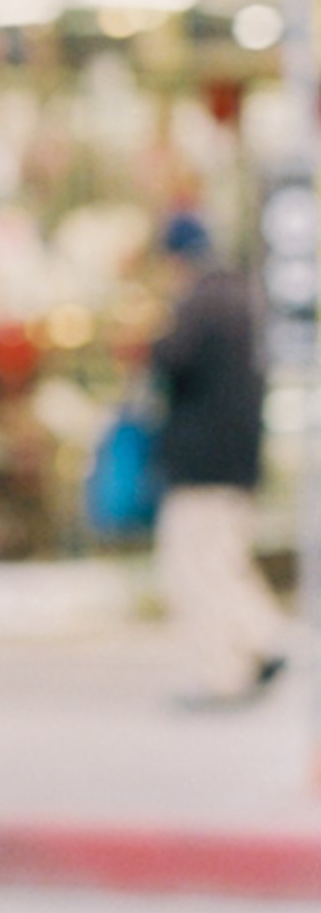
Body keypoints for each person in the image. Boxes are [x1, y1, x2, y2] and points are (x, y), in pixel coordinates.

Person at [148, 212, 289, 706]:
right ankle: (264, 639)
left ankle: (226, 673)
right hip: (237, 461)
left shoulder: (200, 303)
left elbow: (167, 360)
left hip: (202, 464)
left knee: (194, 568)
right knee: (224, 562)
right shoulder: (245, 298)